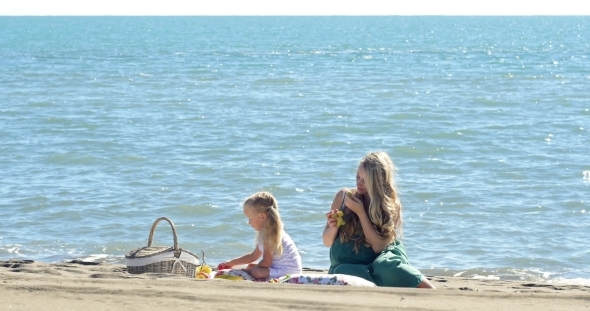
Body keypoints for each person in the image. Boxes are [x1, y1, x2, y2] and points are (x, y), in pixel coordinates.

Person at [322, 151, 435, 288]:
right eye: (357, 177)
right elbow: (327, 241)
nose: (359, 183)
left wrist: (361, 213)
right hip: (350, 265)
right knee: (344, 272)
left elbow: (378, 247)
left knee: (388, 267)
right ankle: (378, 282)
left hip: (378, 260)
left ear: (377, 181)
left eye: (365, 180)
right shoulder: (344, 197)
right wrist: (333, 226)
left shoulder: (388, 205)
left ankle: (431, 291)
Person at [219, 191, 302, 279]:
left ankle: (249, 272)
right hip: (278, 267)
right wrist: (232, 262)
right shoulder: (265, 233)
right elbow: (253, 256)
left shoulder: (270, 235)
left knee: (257, 272)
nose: (248, 222)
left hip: (289, 271)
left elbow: (266, 262)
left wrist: (251, 270)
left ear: (262, 216)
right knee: (251, 266)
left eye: (250, 218)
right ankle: (250, 270)